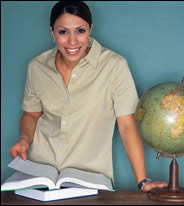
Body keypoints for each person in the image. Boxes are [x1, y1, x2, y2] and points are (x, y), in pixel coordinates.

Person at [9, 1, 168, 192]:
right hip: (39, 176)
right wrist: (25, 139)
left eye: (80, 31)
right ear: (52, 32)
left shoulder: (114, 66)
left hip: (90, 181)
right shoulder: (36, 67)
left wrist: (142, 181)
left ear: (90, 29)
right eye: (63, 32)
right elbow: (31, 114)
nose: (73, 41)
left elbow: (127, 124)